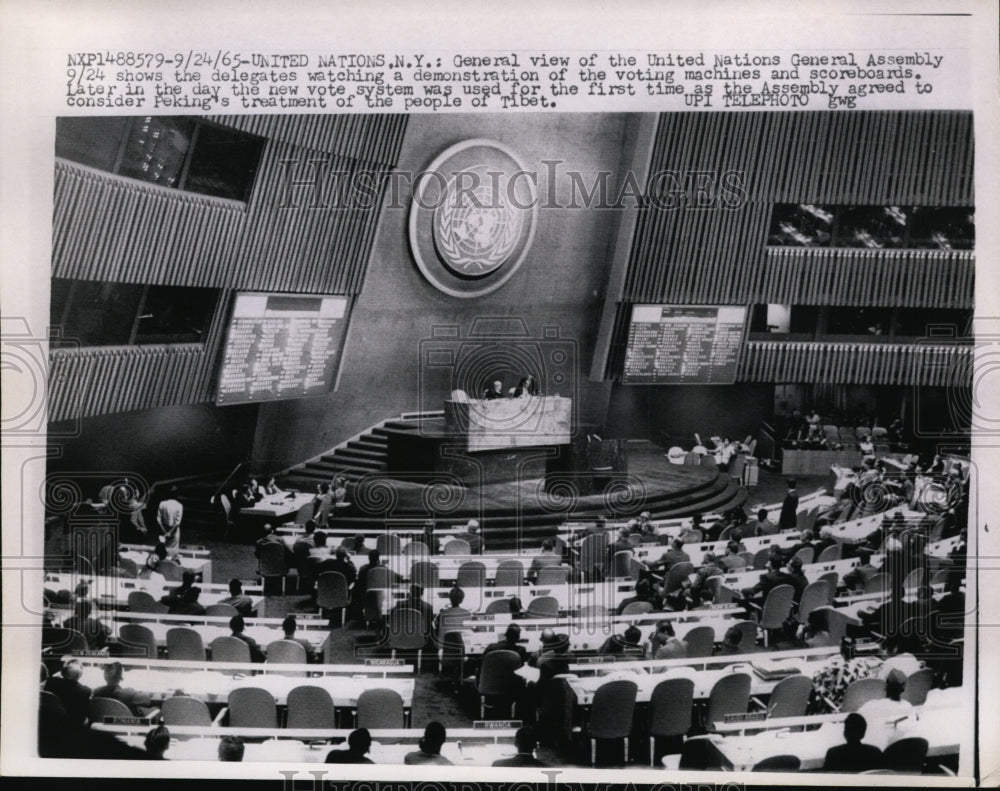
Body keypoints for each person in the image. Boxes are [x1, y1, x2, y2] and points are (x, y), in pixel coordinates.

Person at [44, 657, 92, 727]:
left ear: (63, 671)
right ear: (80, 674)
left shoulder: (51, 682)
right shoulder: (85, 691)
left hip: (50, 725)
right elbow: (84, 715)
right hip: (72, 728)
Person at [156, 488, 183, 556]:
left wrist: (164, 531)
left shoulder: (162, 504)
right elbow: (177, 522)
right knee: (173, 550)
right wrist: (169, 532)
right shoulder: (179, 506)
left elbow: (158, 520)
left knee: (163, 550)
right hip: (174, 530)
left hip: (164, 528)